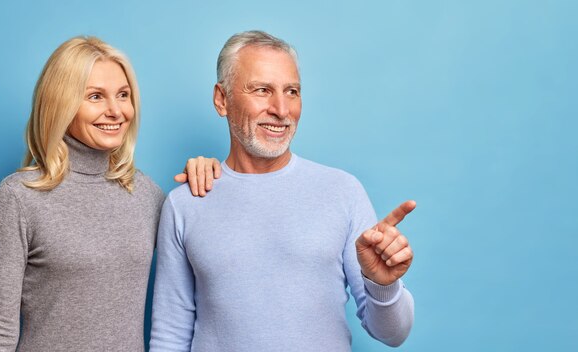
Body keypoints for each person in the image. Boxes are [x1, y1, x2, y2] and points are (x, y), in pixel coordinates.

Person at [150, 30, 416, 351]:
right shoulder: (186, 203)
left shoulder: (342, 191)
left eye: (292, 91)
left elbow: (394, 334)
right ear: (222, 99)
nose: (281, 109)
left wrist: (384, 286)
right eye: (262, 90)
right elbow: (170, 336)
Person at [0, 36, 220, 351]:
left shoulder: (146, 195)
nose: (116, 111)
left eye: (123, 95)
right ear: (60, 103)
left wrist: (211, 175)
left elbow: (215, 265)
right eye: (95, 96)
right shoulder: (20, 197)